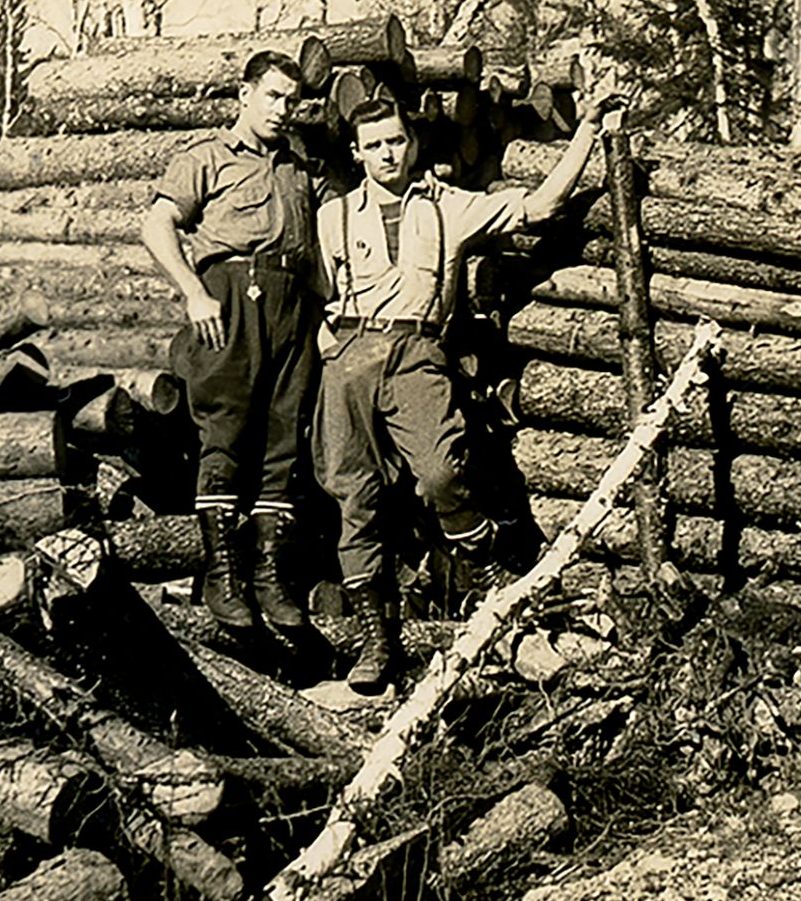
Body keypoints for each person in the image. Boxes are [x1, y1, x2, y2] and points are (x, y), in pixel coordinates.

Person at [315, 87, 622, 693]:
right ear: (357, 153)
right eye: (374, 146)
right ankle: (380, 641)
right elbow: (320, 288)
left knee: (439, 473)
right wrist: (333, 347)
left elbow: (540, 205)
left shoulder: (447, 207)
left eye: (397, 142)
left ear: (413, 144)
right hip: (348, 358)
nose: (387, 155)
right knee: (354, 495)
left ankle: (488, 567)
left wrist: (585, 132)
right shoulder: (334, 217)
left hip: (416, 351)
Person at [141, 51, 331, 633]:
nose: (282, 110)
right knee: (224, 430)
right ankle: (223, 575)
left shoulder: (300, 168)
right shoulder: (208, 158)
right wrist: (194, 293)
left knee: (283, 437)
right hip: (231, 296)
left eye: (291, 101)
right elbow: (156, 224)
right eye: (272, 97)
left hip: (291, 302)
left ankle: (270, 577)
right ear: (243, 95)